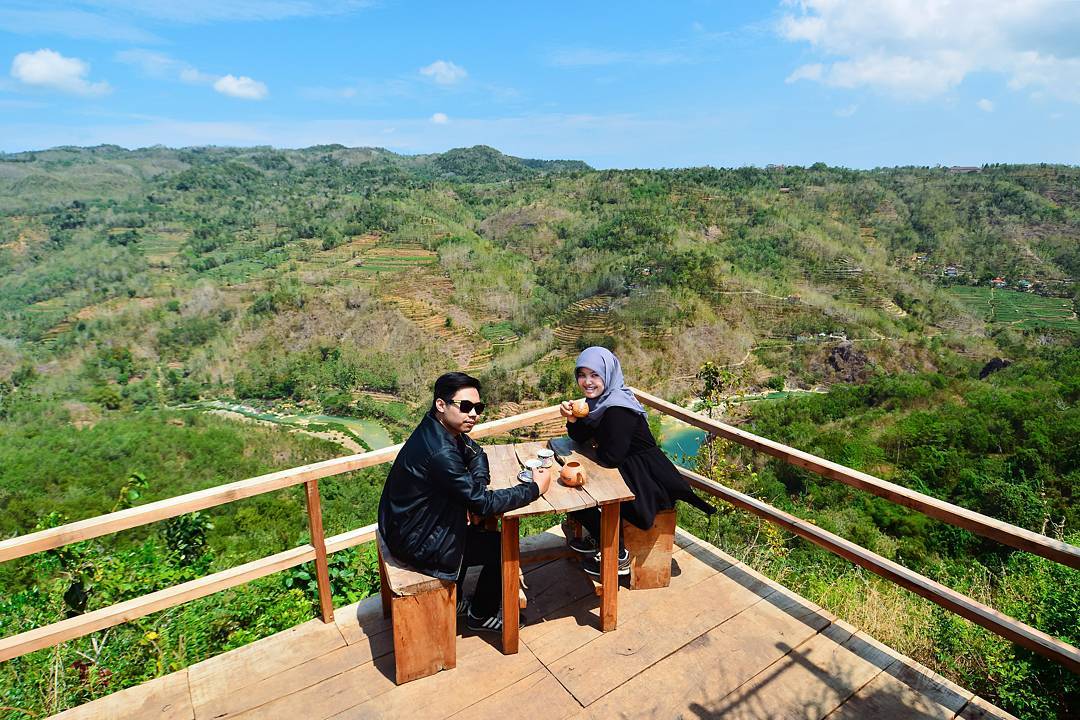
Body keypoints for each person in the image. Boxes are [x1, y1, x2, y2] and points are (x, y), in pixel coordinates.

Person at [378, 372, 552, 633]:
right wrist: (534, 488)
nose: (474, 414)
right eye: (466, 406)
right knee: (502, 547)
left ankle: (459, 600)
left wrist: (474, 492)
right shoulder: (441, 451)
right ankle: (481, 614)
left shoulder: (439, 429)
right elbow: (485, 503)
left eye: (478, 407)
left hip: (407, 527)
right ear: (441, 405)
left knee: (480, 530)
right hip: (417, 541)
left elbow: (477, 455)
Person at [559, 346, 714, 576]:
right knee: (575, 491)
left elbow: (610, 457)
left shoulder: (617, 408)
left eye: (595, 375)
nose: (587, 381)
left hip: (645, 479)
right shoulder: (600, 402)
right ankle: (601, 539)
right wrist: (573, 419)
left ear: (608, 375)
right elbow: (582, 436)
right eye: (582, 374)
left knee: (579, 496)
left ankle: (618, 553)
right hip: (626, 469)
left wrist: (593, 441)